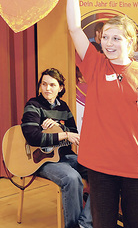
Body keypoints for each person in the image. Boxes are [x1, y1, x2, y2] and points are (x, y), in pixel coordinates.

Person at [65, 0, 138, 228]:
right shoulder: (95, 64)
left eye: (116, 38)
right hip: (100, 165)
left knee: (136, 223)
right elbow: (75, 29)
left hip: (137, 165)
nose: (108, 43)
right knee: (103, 223)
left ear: (130, 43)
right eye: (105, 37)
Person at [21, 68, 92, 228]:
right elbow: (33, 136)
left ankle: (84, 224)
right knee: (72, 178)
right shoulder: (33, 105)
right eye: (44, 84)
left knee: (100, 173)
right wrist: (63, 135)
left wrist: (58, 127)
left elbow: (73, 134)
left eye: (52, 85)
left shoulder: (64, 107)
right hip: (42, 160)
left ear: (60, 88)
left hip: (65, 156)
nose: (47, 88)